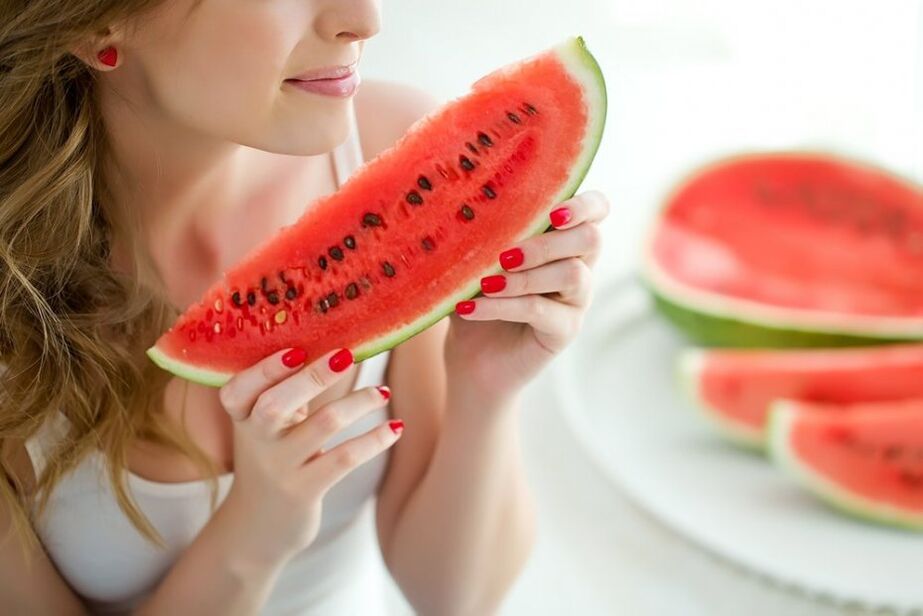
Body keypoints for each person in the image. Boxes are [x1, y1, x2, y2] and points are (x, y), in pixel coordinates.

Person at [0, 1, 610, 614]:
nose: (365, 21)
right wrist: (257, 533)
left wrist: (484, 389)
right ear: (98, 22)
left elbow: (456, 599)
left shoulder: (392, 151)